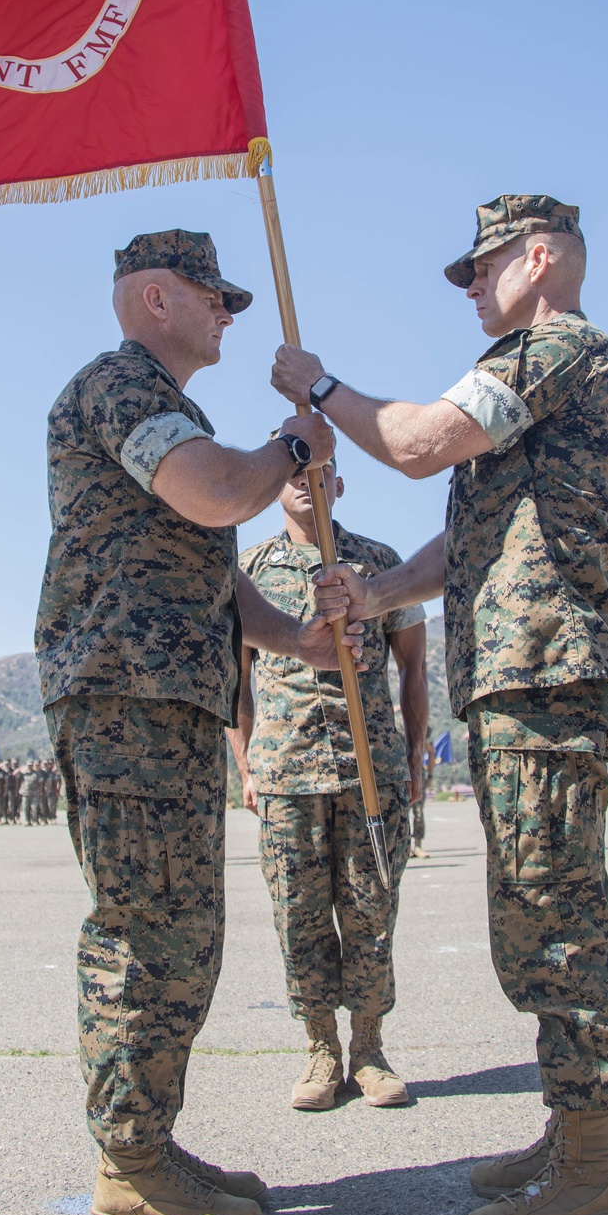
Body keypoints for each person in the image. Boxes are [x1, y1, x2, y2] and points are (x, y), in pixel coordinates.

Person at [273, 192, 608, 1215]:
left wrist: (321, 386)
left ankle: (595, 1163)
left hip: (546, 673)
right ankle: (573, 1125)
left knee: (552, 910)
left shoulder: (558, 347)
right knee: (532, 908)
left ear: (538, 258)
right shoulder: (532, 378)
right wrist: (376, 598)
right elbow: (468, 541)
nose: (472, 288)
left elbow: (421, 443)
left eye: (479, 269)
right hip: (516, 673)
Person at [35, 228, 363, 1215]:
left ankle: (148, 1145)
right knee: (147, 933)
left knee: (182, 933)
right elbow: (216, 495)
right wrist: (292, 448)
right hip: (124, 697)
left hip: (168, 696)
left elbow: (207, 576)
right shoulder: (119, 385)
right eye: (211, 296)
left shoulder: (173, 407)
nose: (226, 313)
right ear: (153, 298)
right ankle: (129, 1167)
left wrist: (293, 641)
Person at [230, 461, 428, 1112]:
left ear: (337, 483)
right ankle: (321, 1050)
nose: (301, 480)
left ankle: (369, 1050)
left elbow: (414, 665)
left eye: (317, 470)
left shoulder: (378, 563)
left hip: (371, 768)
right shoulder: (252, 572)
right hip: (288, 770)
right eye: (288, 469)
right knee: (299, 915)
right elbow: (237, 678)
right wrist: (246, 764)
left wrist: (417, 750)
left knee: (371, 910)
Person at [411, 727, 434, 858]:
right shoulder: (392, 719)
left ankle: (418, 846)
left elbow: (431, 751)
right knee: (401, 814)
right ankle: (405, 847)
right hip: (399, 774)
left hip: (418, 774)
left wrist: (430, 775)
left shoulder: (419, 721)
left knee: (418, 812)